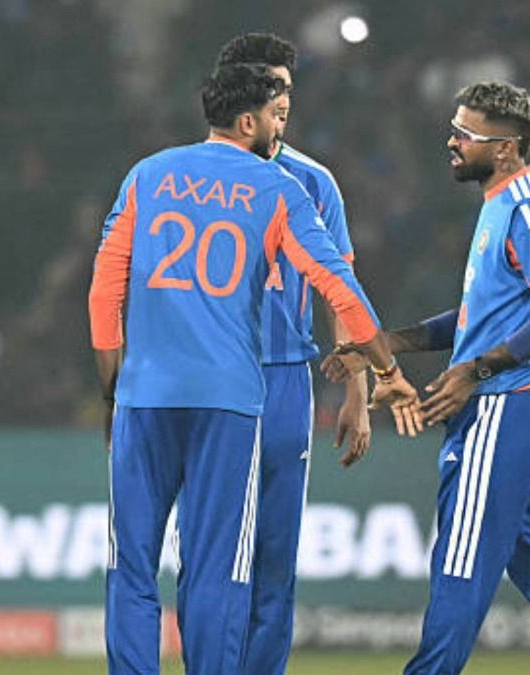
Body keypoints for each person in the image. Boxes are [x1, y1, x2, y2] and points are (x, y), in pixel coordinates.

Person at [89, 63, 417, 674]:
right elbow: (339, 288)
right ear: (248, 121)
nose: (280, 128)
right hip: (230, 402)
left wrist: (113, 390)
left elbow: (104, 293)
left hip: (145, 396)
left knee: (129, 563)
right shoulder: (278, 188)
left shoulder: (147, 174)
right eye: (275, 116)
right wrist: (386, 370)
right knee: (218, 569)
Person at [325, 81, 530, 674]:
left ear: (505, 148)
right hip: (519, 398)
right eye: (455, 128)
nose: (452, 141)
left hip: (505, 401)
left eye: (466, 134)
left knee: (460, 562)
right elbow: (477, 318)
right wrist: (385, 344)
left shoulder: (528, 208)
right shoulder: (501, 201)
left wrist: (476, 370)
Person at [214, 32, 372, 674]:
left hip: (285, 381)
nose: (281, 101)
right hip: (214, 380)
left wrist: (357, 390)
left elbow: (341, 290)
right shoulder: (190, 177)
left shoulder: (314, 181)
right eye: (269, 87)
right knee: (214, 554)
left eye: (286, 88)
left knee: (275, 559)